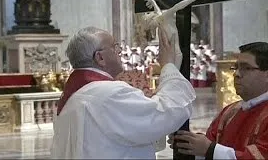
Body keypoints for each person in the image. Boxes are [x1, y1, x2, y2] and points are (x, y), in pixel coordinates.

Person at [51, 26, 196, 159]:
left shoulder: (74, 96)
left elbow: (133, 132)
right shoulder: (108, 94)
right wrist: (169, 66)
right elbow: (167, 112)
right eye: (115, 47)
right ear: (100, 58)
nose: (120, 51)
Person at [168, 42, 268, 159]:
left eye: (246, 68)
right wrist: (190, 144)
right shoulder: (230, 112)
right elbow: (209, 147)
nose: (237, 74)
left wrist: (210, 149)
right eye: (236, 68)